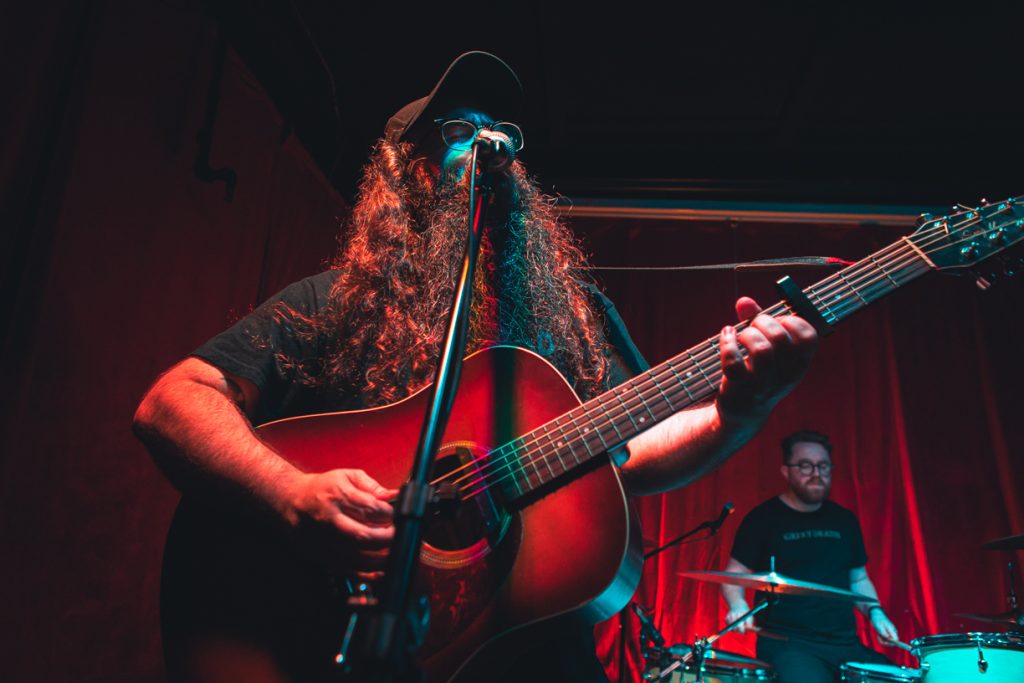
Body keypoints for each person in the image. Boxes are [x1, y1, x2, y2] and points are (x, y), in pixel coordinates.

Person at [133, 51, 818, 683]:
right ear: (411, 172)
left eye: (503, 132)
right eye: (461, 128)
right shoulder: (337, 304)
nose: (491, 145)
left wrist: (742, 409)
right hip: (316, 640)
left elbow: (631, 450)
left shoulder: (572, 318)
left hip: (532, 653)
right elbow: (173, 403)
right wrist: (290, 493)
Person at [720, 430, 900, 683]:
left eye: (823, 466)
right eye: (805, 466)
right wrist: (738, 605)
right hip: (789, 645)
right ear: (786, 471)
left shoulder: (844, 520)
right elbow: (732, 575)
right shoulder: (763, 519)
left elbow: (858, 579)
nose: (816, 474)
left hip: (845, 644)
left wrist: (875, 613)